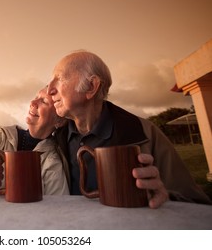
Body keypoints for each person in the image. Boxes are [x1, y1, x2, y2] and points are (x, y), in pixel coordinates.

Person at [47, 50, 212, 208]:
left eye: (59, 78)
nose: (50, 90)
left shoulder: (145, 133)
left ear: (91, 86)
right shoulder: (55, 140)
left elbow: (198, 205)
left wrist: (166, 198)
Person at [0, 86, 69, 196]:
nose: (33, 103)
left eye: (44, 101)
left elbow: (57, 209)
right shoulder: (2, 138)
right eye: (36, 97)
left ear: (59, 121)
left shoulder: (53, 162)